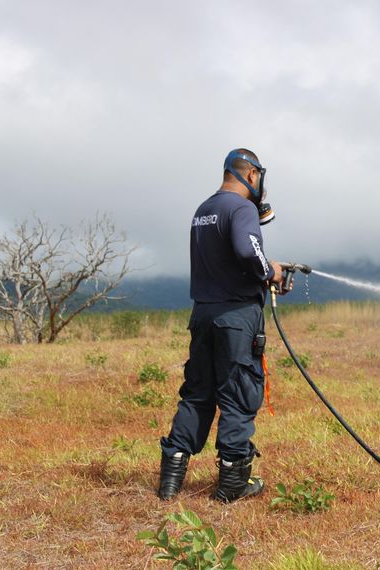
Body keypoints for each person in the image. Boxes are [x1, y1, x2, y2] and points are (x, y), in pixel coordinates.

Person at [158, 148, 285, 503]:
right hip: (236, 317)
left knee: (198, 393)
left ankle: (170, 482)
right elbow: (247, 251)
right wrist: (270, 271)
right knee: (239, 394)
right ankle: (232, 483)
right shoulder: (241, 208)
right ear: (253, 175)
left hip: (203, 314)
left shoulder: (204, 210)